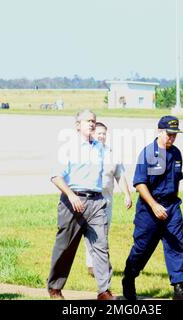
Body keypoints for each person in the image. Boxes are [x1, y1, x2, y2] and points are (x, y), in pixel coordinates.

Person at [122, 115, 183, 301]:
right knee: (142, 248)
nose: (172, 138)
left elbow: (177, 180)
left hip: (171, 207)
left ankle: (178, 288)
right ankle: (129, 279)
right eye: (169, 134)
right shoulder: (147, 153)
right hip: (149, 209)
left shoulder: (176, 153)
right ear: (159, 131)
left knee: (175, 245)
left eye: (175, 135)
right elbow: (139, 183)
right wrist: (154, 205)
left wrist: (173, 204)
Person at [47, 109, 115, 300]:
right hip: (72, 202)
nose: (92, 124)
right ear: (78, 125)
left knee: (101, 245)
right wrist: (71, 195)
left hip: (96, 201)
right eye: (88, 121)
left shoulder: (99, 148)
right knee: (65, 247)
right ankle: (55, 287)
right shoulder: (68, 148)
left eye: (94, 121)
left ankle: (104, 290)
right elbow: (55, 176)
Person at [85, 122, 132, 276]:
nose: (102, 136)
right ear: (92, 134)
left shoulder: (112, 154)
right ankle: (94, 264)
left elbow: (120, 175)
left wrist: (126, 194)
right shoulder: (85, 152)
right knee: (91, 231)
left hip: (106, 200)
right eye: (99, 133)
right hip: (88, 199)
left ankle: (97, 263)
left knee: (103, 232)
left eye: (104, 133)